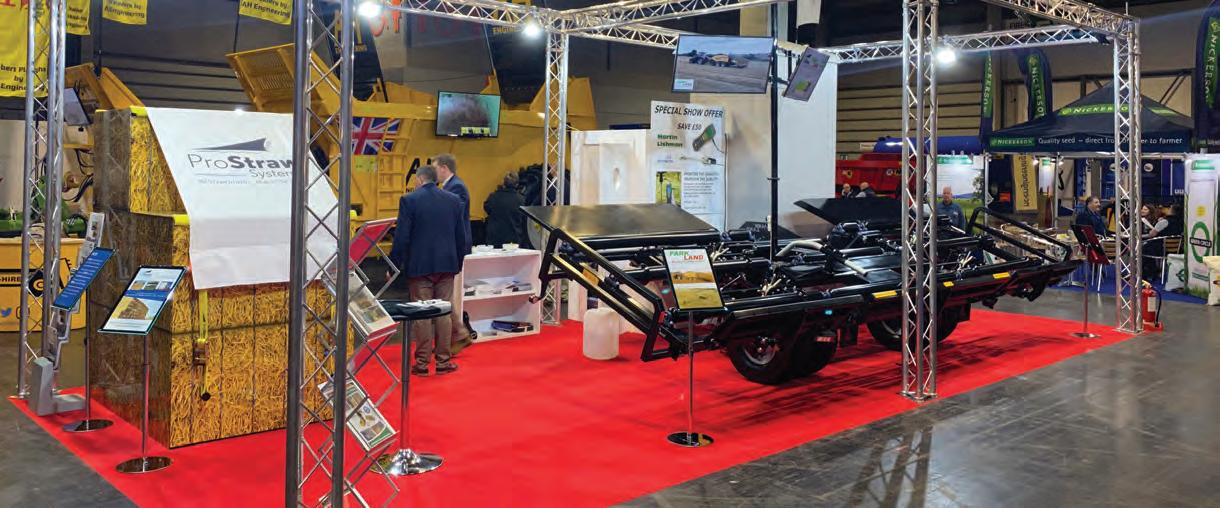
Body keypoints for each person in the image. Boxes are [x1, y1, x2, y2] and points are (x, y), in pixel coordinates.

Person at [389, 165, 467, 376]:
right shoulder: (453, 201)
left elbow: (402, 237)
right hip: (447, 265)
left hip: (420, 266)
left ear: (419, 179)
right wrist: (457, 263)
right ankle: (443, 361)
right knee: (444, 312)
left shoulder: (409, 200)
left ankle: (422, 364)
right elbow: (461, 236)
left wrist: (394, 264)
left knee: (422, 314)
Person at [433, 153, 475, 354]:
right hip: (449, 246)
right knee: (444, 295)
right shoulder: (451, 186)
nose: (434, 173)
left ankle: (458, 333)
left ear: (444, 168)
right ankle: (456, 334)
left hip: (453, 247)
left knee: (444, 295)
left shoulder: (456, 187)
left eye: (435, 168)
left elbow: (451, 216)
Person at [484, 172, 526, 247]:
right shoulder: (521, 200)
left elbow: (487, 208)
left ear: (503, 183)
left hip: (495, 240)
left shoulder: (493, 197)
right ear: (517, 185)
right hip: (514, 240)